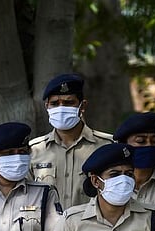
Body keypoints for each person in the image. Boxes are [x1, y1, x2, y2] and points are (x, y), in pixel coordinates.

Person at [29, 73, 113, 208]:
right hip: (47, 228)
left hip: (89, 227)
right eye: (55, 103)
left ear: (82, 106)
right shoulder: (34, 150)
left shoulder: (106, 147)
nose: (61, 108)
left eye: (68, 103)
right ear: (47, 107)